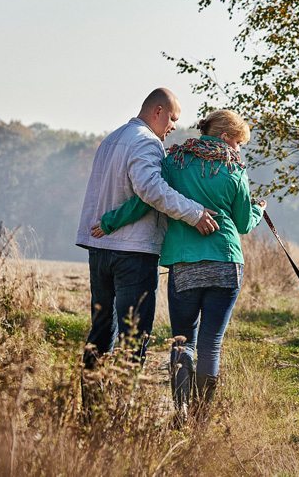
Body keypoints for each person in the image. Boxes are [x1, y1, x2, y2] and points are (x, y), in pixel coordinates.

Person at [91, 109, 266, 423]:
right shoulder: (234, 169)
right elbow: (242, 223)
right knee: (211, 343)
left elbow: (146, 198)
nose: (238, 150)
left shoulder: (174, 162)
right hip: (226, 263)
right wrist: (257, 209)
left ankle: (181, 411)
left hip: (184, 265)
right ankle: (200, 421)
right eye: (238, 142)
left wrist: (109, 221)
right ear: (226, 137)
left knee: (183, 339)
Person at [75, 88, 219, 385]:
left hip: (99, 249)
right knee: (134, 337)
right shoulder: (146, 141)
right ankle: (122, 416)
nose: (174, 127)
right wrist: (194, 213)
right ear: (158, 111)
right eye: (173, 119)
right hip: (132, 251)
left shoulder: (112, 139)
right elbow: (151, 189)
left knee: (100, 332)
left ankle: (92, 410)